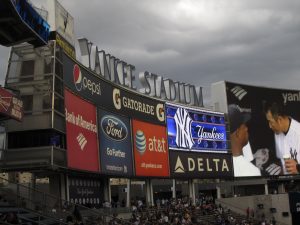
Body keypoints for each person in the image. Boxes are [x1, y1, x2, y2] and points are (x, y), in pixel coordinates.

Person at [263, 101, 300, 174]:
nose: (270, 126)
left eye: (271, 122)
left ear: (279, 120)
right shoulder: (277, 133)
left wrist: (298, 169)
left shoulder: (298, 131)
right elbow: (283, 163)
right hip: (289, 182)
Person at [228, 104, 261, 177]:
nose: (246, 129)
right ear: (237, 133)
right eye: (244, 126)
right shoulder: (252, 171)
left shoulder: (220, 166)